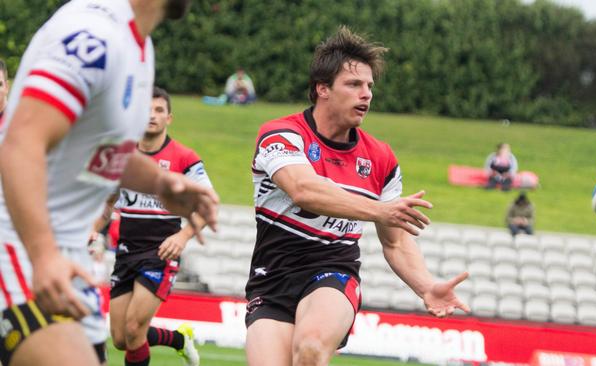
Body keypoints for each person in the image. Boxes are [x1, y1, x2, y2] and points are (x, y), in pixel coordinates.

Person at [0, 1, 219, 366]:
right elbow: (20, 144)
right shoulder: (93, 34)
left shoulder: (139, 46)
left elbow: (96, 148)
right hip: (20, 246)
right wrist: (43, 255)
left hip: (64, 255)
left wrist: (161, 182)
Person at [245, 26, 470, 366]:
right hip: (271, 278)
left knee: (310, 346)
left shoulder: (380, 158)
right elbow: (303, 190)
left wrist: (426, 286)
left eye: (369, 86)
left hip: (332, 272)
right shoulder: (282, 135)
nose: (366, 94)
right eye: (354, 85)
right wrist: (379, 211)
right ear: (323, 89)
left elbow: (395, 242)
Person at [97, 86, 211, 366]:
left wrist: (183, 236)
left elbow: (207, 204)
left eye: (159, 110)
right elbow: (108, 203)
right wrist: (91, 229)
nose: (152, 115)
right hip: (126, 253)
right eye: (146, 110)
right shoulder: (122, 157)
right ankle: (179, 339)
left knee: (135, 331)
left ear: (169, 118)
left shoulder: (184, 158)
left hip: (160, 254)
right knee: (121, 338)